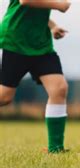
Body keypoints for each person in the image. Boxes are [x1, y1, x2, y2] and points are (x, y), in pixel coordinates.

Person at [0, 0, 71, 153]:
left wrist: (52, 26)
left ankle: (55, 148)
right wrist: (60, 5)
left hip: (41, 45)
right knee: (4, 97)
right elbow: (26, 1)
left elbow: (38, 11)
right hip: (16, 41)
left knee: (59, 88)